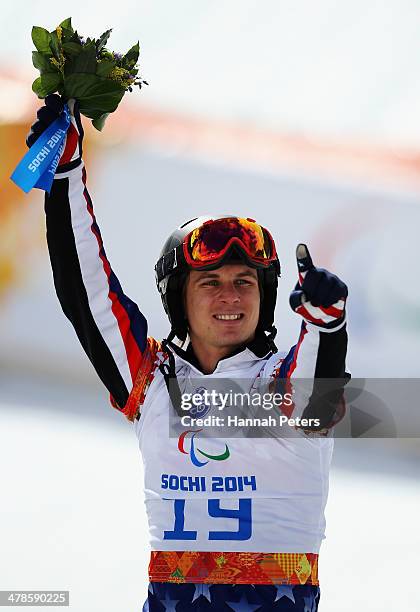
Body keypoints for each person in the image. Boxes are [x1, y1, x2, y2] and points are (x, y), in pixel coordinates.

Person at [27, 96, 349, 611]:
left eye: (246, 282)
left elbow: (315, 395)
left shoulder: (280, 388)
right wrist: (63, 172)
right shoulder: (152, 383)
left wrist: (328, 324)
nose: (231, 296)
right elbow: (86, 294)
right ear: (179, 297)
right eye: (210, 282)